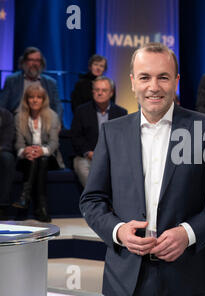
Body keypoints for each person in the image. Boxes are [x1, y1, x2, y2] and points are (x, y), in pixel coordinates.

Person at [79, 42, 205, 296]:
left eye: (163, 77)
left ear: (176, 80)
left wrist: (188, 233)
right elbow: (92, 200)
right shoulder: (111, 133)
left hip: (187, 277)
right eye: (145, 77)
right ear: (132, 82)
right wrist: (119, 231)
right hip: (124, 279)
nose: (154, 86)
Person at [12, 83, 64, 222]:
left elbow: (54, 143)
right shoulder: (19, 117)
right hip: (28, 159)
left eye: (39, 97)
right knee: (35, 160)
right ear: (26, 99)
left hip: (49, 157)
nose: (35, 100)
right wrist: (25, 151)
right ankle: (41, 208)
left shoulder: (52, 116)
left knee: (42, 159)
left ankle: (25, 197)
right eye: (31, 97)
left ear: (43, 99)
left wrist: (42, 150)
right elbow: (18, 144)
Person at [71, 76, 127, 187]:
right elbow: (76, 137)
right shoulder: (81, 111)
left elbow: (123, 139)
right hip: (86, 157)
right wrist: (89, 153)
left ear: (111, 93)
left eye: (104, 90)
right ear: (92, 92)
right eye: (97, 90)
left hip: (112, 157)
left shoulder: (121, 113)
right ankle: (98, 201)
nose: (99, 93)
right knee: (83, 169)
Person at [0, 47, 63, 119]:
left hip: (44, 122)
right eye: (31, 60)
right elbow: (2, 104)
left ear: (41, 63)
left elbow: (58, 107)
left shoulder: (50, 83)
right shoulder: (12, 80)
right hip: (16, 121)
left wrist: (56, 122)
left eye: (37, 60)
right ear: (24, 62)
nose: (34, 63)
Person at [0, 108, 15, 220]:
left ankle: (2, 207)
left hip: (1, 151)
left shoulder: (5, 115)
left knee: (7, 158)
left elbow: (7, 142)